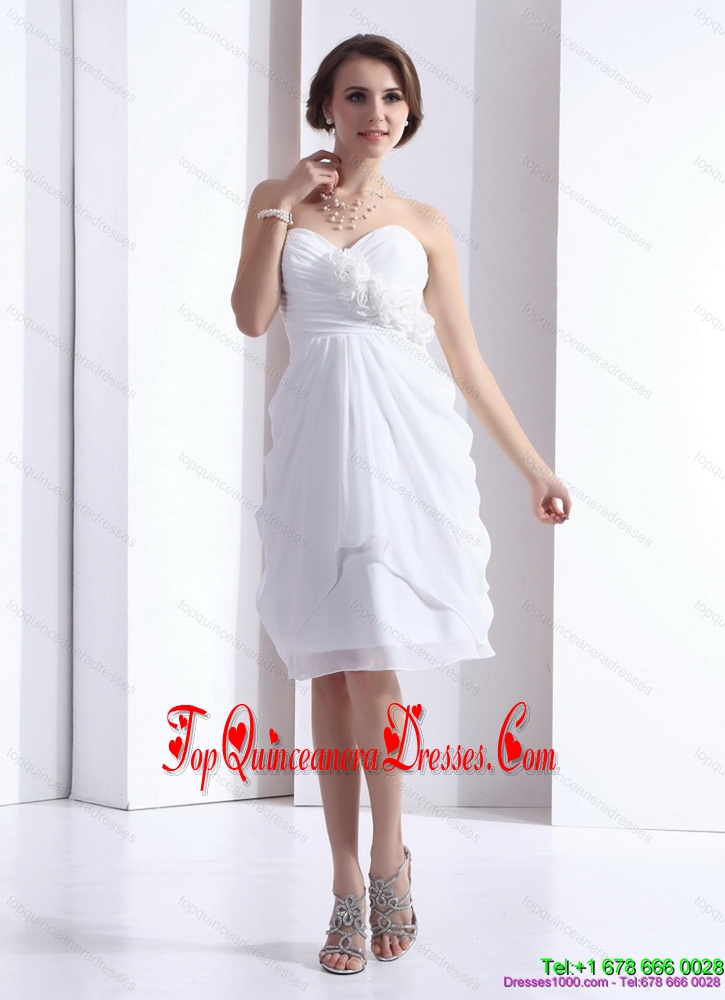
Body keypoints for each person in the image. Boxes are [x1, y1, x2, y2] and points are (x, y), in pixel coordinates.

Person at [230, 33, 571, 976]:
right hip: (313, 456)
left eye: (390, 97)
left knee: (373, 661)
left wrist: (535, 469)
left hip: (400, 456)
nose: (374, 113)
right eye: (355, 95)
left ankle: (388, 862)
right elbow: (252, 317)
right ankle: (343, 878)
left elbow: (464, 359)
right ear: (324, 107)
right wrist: (282, 204)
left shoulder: (422, 223)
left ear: (408, 112)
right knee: (327, 673)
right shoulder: (276, 202)